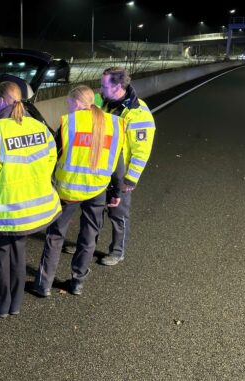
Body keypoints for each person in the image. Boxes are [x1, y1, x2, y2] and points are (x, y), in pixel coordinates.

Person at [0, 81, 61, 318]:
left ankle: (0, 306)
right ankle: (15, 305)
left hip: (2, 211)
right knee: (17, 256)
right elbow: (50, 161)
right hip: (29, 210)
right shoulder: (38, 127)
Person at [34, 85, 125, 296]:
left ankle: (43, 285)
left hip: (68, 190)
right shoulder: (113, 124)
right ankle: (77, 283)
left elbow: (52, 157)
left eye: (68, 103)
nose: (67, 106)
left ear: (76, 103)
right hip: (97, 189)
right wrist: (116, 193)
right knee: (89, 236)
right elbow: (118, 166)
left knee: (55, 236)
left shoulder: (69, 123)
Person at [98, 67, 156, 266]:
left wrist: (130, 179)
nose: (100, 89)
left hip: (120, 175)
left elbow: (141, 151)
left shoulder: (138, 113)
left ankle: (117, 251)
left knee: (118, 214)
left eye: (104, 85)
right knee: (95, 209)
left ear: (117, 87)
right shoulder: (106, 103)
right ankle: (87, 244)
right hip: (101, 170)